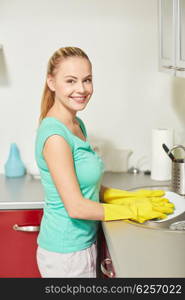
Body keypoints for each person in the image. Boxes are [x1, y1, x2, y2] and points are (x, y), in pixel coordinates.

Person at [35, 46, 174, 278]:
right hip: (66, 255)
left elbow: (85, 186)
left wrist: (127, 196)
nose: (81, 89)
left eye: (87, 80)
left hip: (81, 245)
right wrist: (132, 210)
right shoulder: (56, 136)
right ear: (51, 82)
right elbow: (76, 206)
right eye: (70, 81)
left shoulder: (76, 125)